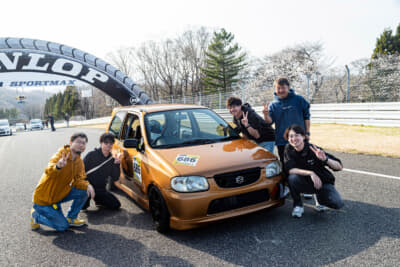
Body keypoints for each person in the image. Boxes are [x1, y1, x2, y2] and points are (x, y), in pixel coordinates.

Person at [30, 132, 95, 231]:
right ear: (70, 142)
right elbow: (48, 170)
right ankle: (36, 216)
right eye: (78, 142)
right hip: (43, 200)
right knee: (62, 226)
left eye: (84, 143)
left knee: (84, 190)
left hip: (58, 195)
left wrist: (88, 185)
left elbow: (78, 181)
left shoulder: (79, 162)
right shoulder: (61, 154)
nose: (81, 145)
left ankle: (71, 218)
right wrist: (58, 166)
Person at [263, 77, 312, 199]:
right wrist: (265, 114)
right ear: (275, 89)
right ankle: (289, 186)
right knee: (287, 166)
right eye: (278, 88)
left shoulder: (298, 99)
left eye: (283, 88)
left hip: (300, 140)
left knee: (304, 163)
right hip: (282, 140)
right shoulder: (274, 105)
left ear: (288, 88)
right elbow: (269, 122)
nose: (281, 90)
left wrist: (308, 133)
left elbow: (307, 116)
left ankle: (306, 188)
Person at [283, 125, 344, 218]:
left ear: (303, 136)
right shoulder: (288, 149)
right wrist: (311, 173)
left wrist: (326, 159)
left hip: (322, 183)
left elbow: (339, 167)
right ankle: (298, 205)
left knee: (337, 203)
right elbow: (291, 170)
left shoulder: (313, 149)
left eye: (296, 135)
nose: (294, 138)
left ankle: (320, 199)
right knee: (292, 178)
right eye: (291, 136)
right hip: (304, 182)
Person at [82, 132, 121, 210]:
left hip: (100, 189)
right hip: (87, 187)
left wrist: (117, 165)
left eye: (111, 143)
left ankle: (98, 200)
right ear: (101, 143)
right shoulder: (91, 155)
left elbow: (115, 178)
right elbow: (80, 172)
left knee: (116, 205)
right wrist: (86, 186)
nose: (108, 145)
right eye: (106, 142)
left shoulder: (111, 160)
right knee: (82, 206)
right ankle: (83, 198)